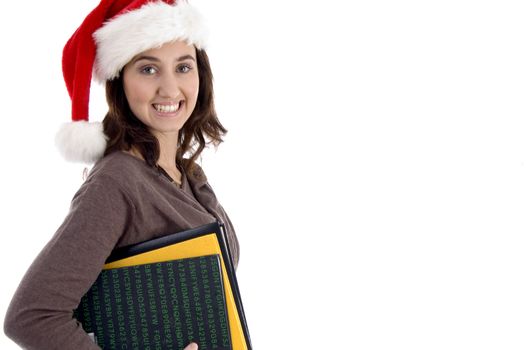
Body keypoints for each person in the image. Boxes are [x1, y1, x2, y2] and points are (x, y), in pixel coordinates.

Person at [3, 0, 239, 349]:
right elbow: (32, 316)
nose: (170, 89)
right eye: (148, 69)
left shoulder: (189, 174)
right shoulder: (117, 182)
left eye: (184, 67)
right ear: (119, 82)